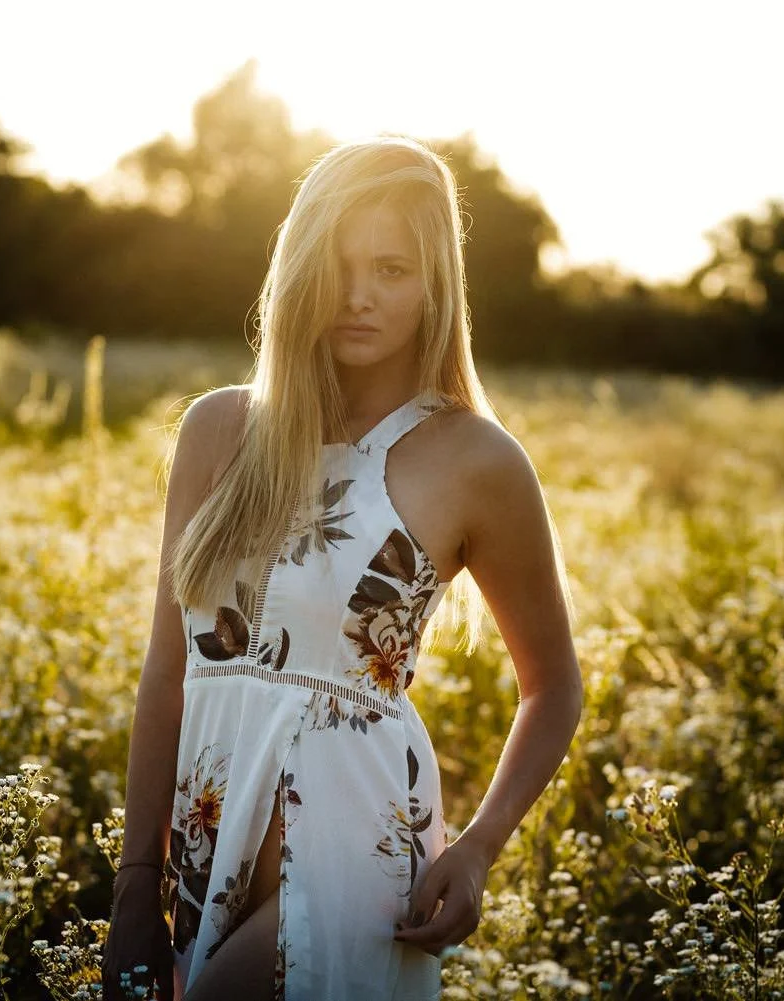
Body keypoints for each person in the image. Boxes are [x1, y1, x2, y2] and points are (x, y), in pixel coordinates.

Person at [101, 135, 583, 1001]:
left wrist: (475, 848)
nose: (357, 297)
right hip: (209, 841)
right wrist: (138, 877)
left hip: (362, 845)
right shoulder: (217, 431)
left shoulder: (477, 459)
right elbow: (168, 668)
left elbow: (553, 687)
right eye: (336, 265)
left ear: (437, 282)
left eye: (392, 269)